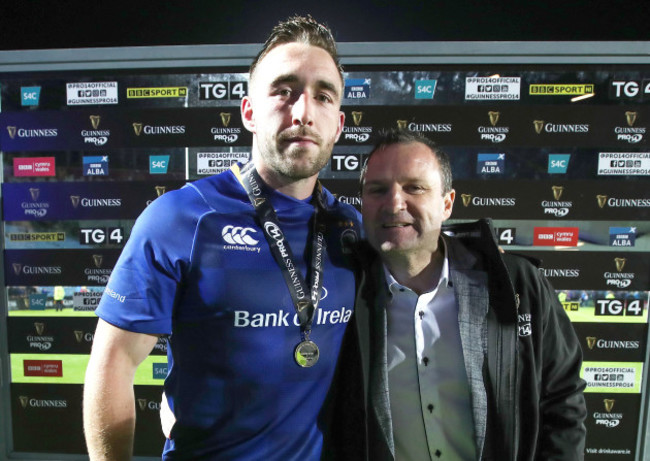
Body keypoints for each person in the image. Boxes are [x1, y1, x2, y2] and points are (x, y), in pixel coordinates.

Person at [83, 15, 361, 460]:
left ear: (339, 124)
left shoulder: (353, 231)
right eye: (284, 91)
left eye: (322, 95)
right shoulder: (181, 218)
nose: (303, 111)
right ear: (249, 112)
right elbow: (113, 363)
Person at [345, 128, 587, 460]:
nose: (394, 203)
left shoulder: (516, 284)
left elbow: (563, 401)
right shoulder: (342, 293)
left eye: (414, 187)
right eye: (378, 189)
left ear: (447, 204)